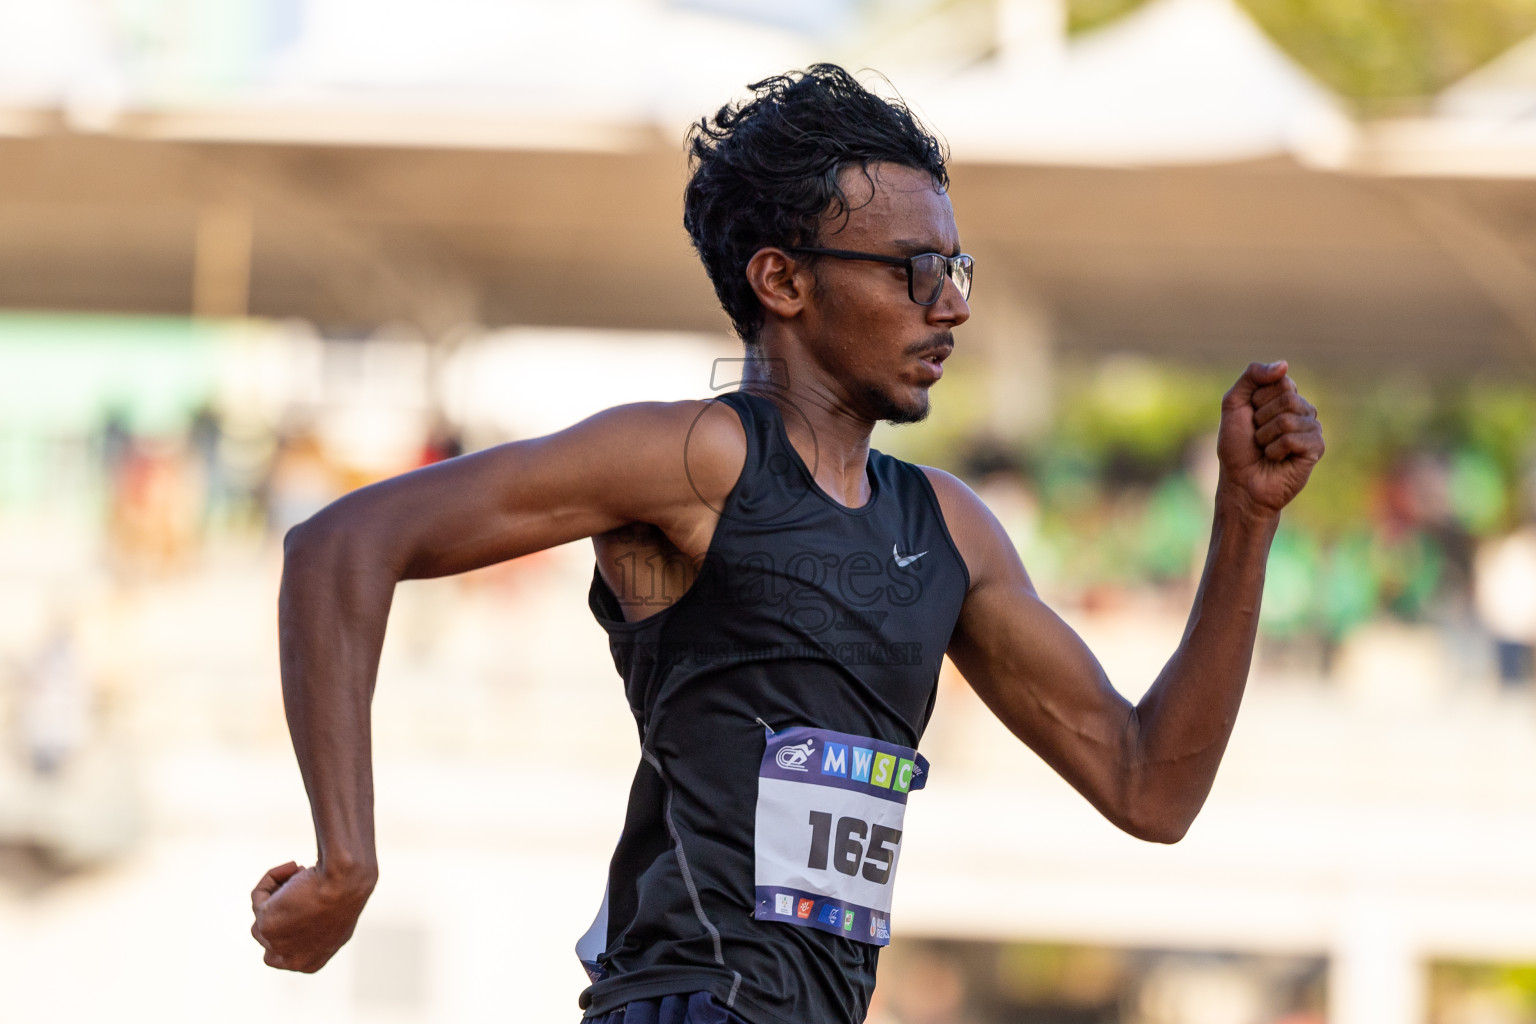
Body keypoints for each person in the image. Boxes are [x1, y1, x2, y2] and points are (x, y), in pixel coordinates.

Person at [249, 64, 1325, 1024]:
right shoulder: (693, 457)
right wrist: (347, 858)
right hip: (688, 1001)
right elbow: (343, 544)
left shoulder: (946, 528)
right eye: (912, 269)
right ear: (783, 280)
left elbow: (1150, 788)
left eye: (957, 267)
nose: (950, 305)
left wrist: (1244, 522)